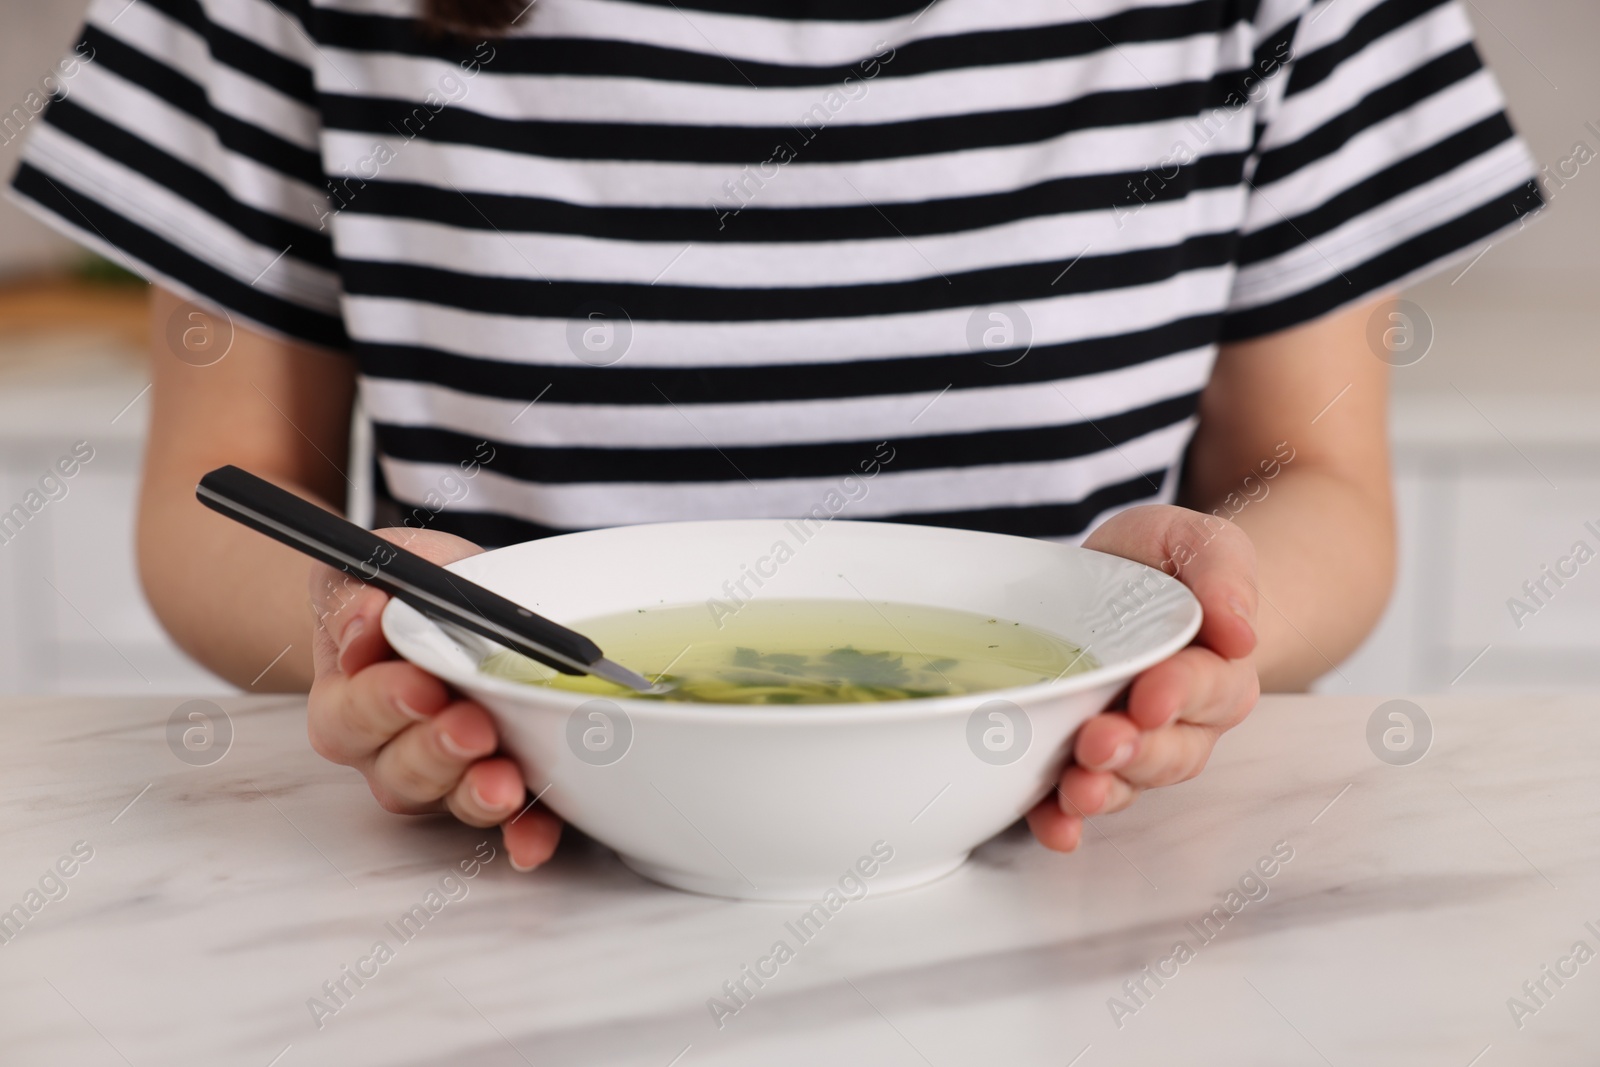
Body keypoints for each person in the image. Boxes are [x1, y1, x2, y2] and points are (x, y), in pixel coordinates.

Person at [10, 0, 1540, 871]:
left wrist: (1202, 605)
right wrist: (371, 625)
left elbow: (1320, 488)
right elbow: (214, 504)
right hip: (499, 874)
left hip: (1073, 877)